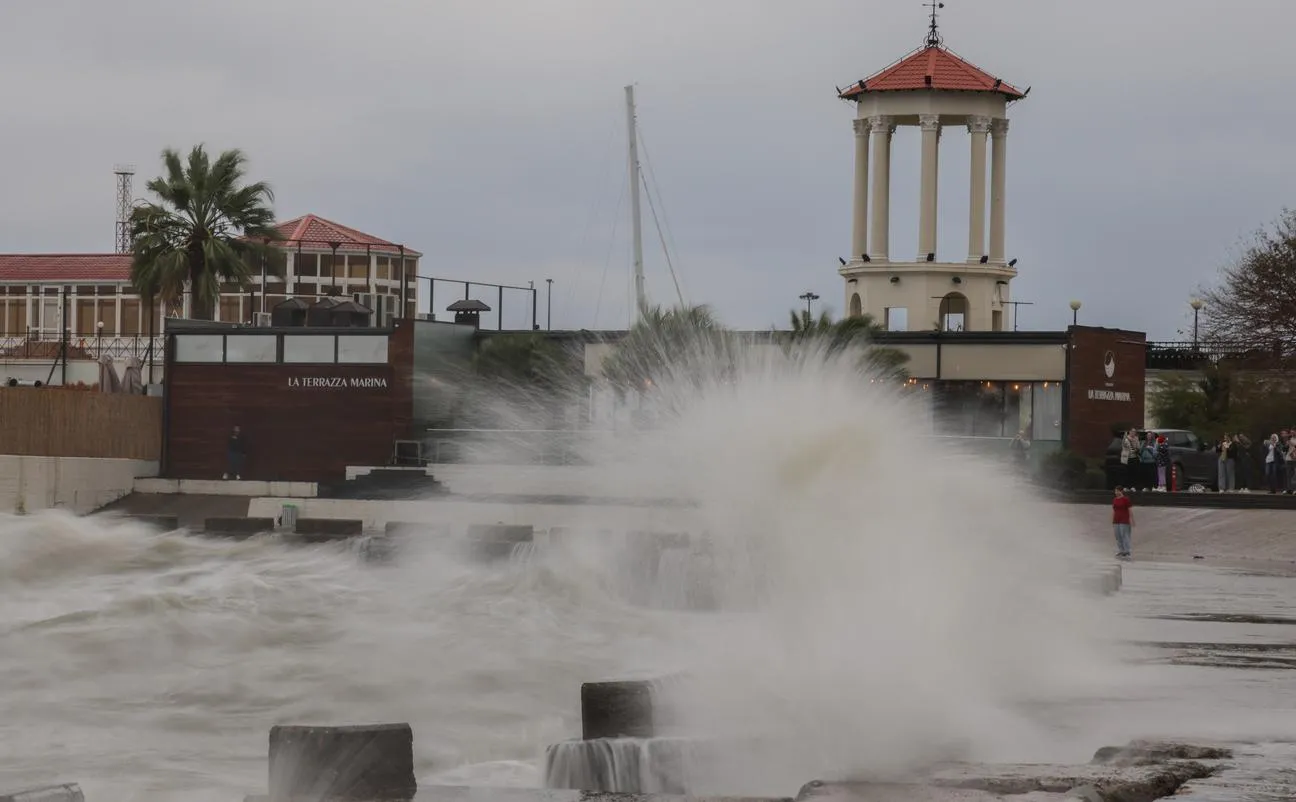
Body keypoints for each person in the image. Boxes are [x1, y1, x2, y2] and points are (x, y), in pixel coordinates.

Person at [1111, 486, 1133, 559]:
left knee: (1124, 535)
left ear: (1121, 491)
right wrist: (1112, 520)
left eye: (1118, 491)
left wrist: (1131, 519)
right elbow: (1114, 510)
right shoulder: (1114, 500)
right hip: (1116, 520)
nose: (1116, 493)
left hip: (1124, 520)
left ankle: (1127, 551)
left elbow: (1130, 509)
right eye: (1115, 491)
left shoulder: (1126, 499)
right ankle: (1121, 550)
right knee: (1118, 536)